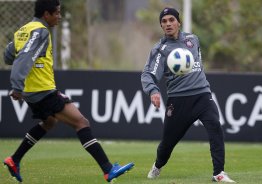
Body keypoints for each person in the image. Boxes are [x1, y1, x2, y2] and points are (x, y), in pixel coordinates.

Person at [3, 0, 134, 182]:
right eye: (56, 13)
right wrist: (16, 85)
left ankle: (14, 159)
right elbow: (24, 58)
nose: (59, 16)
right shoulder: (40, 31)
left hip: (31, 92)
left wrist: (22, 83)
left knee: (49, 122)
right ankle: (108, 169)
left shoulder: (23, 30)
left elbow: (9, 55)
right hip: (43, 90)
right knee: (81, 122)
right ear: (46, 14)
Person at [141, 7, 235, 183]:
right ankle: (158, 165)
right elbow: (148, 74)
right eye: (164, 21)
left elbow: (197, 64)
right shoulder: (160, 49)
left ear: (179, 22)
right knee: (167, 145)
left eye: (171, 20)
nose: (168, 24)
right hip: (178, 101)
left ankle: (219, 173)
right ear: (161, 25)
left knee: (215, 126)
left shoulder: (193, 40)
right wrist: (153, 90)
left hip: (202, 94)